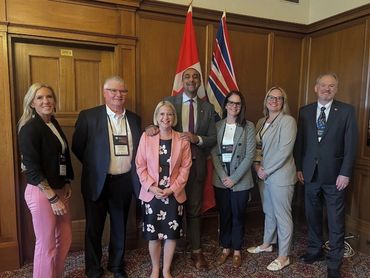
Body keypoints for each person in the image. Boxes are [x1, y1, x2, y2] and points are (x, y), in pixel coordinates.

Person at [146, 67, 216, 269]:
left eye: (195, 77)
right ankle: (170, 254)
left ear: (200, 81)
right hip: (170, 170)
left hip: (195, 167)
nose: (191, 80)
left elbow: (213, 138)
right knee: (169, 211)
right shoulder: (170, 101)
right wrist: (149, 128)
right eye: (187, 76)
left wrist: (197, 138)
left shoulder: (208, 108)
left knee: (194, 210)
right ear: (182, 80)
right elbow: (159, 122)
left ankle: (196, 251)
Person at [72, 76, 141, 278]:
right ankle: (93, 269)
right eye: (113, 91)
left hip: (124, 182)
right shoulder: (89, 116)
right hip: (97, 182)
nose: (118, 95)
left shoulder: (135, 119)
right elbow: (78, 147)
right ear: (105, 93)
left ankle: (116, 266)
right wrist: (97, 166)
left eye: (122, 91)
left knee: (119, 226)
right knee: (94, 228)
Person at [294, 73, 358, 278]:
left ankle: (334, 262)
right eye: (323, 85)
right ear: (315, 88)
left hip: (335, 177)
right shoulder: (305, 111)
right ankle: (315, 251)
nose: (326, 89)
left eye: (331, 86)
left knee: (335, 220)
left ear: (336, 89)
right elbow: (300, 143)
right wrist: (299, 168)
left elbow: (351, 146)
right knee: (312, 216)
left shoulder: (346, 111)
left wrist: (345, 173)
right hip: (310, 175)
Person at [18, 83, 74, 278]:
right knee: (46, 244)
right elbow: (31, 168)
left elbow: (62, 156)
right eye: (40, 98)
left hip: (59, 189)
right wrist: (52, 198)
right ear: (32, 103)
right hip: (42, 193)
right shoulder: (29, 128)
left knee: (65, 238)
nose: (46, 101)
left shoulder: (53, 123)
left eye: (49, 96)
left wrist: (66, 181)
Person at [136, 101, 192, 278]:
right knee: (153, 235)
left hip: (174, 195)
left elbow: (185, 167)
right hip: (152, 195)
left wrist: (172, 189)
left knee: (171, 234)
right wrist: (151, 187)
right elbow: (140, 165)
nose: (165, 118)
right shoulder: (147, 137)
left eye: (169, 114)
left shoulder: (182, 139)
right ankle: (155, 268)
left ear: (174, 118)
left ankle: (166, 269)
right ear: (156, 117)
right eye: (162, 114)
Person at [247, 86, 297, 271]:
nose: (274, 101)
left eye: (279, 98)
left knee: (282, 215)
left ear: (284, 102)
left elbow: (285, 152)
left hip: (280, 176)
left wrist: (266, 170)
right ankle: (267, 243)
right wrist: (257, 166)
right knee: (269, 211)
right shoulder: (262, 121)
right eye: (271, 97)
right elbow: (257, 148)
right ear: (266, 100)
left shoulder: (288, 121)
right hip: (263, 174)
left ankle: (284, 256)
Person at [210, 91, 255, 268]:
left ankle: (237, 250)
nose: (234, 106)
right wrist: (223, 176)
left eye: (238, 103)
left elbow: (250, 155)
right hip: (221, 178)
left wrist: (234, 178)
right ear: (226, 104)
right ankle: (225, 248)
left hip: (241, 180)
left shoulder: (248, 126)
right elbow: (213, 153)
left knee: (238, 215)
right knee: (225, 214)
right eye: (231, 102)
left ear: (241, 106)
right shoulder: (217, 125)